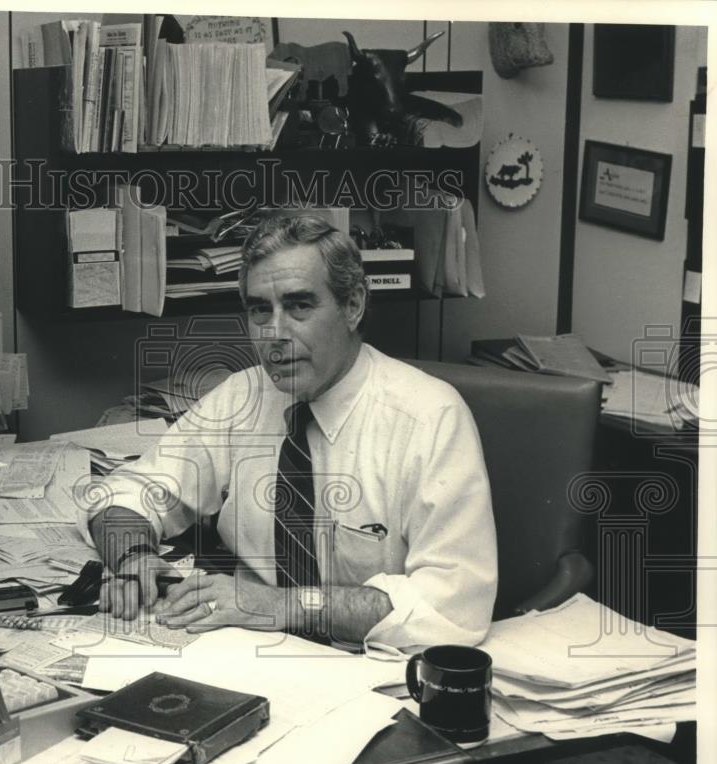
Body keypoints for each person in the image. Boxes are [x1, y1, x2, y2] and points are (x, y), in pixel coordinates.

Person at [85, 213, 497, 650]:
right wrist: (134, 560)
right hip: (245, 652)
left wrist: (285, 605)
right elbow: (129, 491)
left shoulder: (430, 417)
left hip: (368, 668)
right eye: (260, 309)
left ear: (353, 305)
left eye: (300, 306)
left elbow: (453, 608)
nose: (275, 334)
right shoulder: (243, 396)